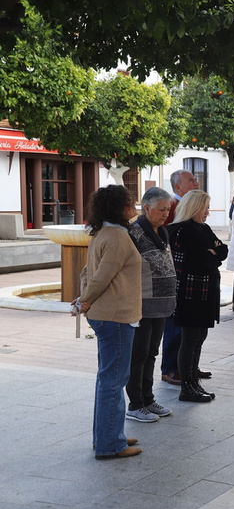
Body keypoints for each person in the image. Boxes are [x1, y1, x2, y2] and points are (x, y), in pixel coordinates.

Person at [74, 185, 143, 459]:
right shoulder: (116, 236)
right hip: (115, 316)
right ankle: (110, 444)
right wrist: (84, 300)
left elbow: (89, 271)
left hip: (108, 315)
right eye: (130, 203)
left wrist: (84, 298)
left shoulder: (104, 232)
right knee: (114, 380)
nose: (134, 206)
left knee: (108, 379)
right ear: (119, 207)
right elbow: (101, 276)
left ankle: (108, 434)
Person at [169, 190, 227, 402]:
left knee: (199, 337)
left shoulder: (202, 228)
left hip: (204, 290)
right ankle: (187, 386)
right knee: (190, 339)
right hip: (190, 292)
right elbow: (202, 261)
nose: (208, 213)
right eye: (206, 208)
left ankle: (193, 381)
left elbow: (223, 251)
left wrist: (214, 253)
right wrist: (212, 254)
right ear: (194, 207)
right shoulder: (182, 230)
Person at [125, 187, 176, 424]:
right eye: (161, 209)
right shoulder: (133, 232)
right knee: (139, 354)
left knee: (152, 353)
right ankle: (135, 403)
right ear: (146, 208)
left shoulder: (162, 231)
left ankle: (148, 398)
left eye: (168, 209)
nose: (166, 213)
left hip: (162, 304)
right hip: (143, 302)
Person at [161, 168, 199, 385]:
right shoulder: (172, 207)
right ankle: (170, 368)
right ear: (178, 187)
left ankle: (187, 366)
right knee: (174, 325)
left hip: (188, 274)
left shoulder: (188, 207)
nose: (196, 183)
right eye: (191, 180)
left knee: (188, 326)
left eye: (195, 180)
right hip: (176, 274)